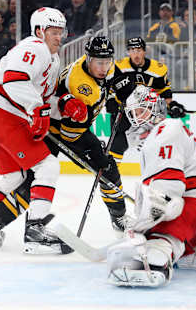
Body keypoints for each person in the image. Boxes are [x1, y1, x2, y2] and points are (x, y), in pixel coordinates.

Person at [0, 7, 76, 255]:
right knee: (48, 166)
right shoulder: (35, 47)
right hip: (3, 115)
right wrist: (39, 110)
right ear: (39, 31)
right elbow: (15, 80)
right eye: (54, 32)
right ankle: (35, 229)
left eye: (61, 32)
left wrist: (64, 106)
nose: (59, 37)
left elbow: (42, 98)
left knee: (14, 176)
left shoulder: (52, 59)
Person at [107, 85, 196, 287]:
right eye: (134, 113)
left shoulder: (165, 129)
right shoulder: (162, 132)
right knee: (164, 231)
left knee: (159, 236)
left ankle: (152, 266)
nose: (137, 117)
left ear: (155, 108)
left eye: (141, 110)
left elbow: (168, 194)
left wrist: (143, 227)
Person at [48, 36, 136, 234]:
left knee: (107, 168)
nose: (104, 67)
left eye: (107, 62)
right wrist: (95, 154)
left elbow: (119, 82)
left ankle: (119, 218)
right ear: (88, 59)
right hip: (61, 130)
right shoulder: (81, 85)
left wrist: (125, 94)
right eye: (99, 62)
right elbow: (73, 133)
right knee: (105, 167)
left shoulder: (106, 66)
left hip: (76, 125)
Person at [107, 36, 187, 163]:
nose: (136, 54)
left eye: (139, 50)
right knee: (117, 144)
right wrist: (110, 100)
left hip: (148, 113)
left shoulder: (158, 68)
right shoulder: (119, 67)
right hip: (124, 110)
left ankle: (160, 169)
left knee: (157, 142)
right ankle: (111, 172)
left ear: (145, 51)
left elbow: (164, 91)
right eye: (132, 50)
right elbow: (110, 87)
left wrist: (172, 105)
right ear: (128, 52)